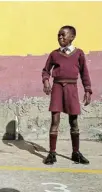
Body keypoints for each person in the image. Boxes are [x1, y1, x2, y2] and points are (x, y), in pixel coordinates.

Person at [41, 25, 92, 165]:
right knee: (55, 120)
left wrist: (88, 89)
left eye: (63, 35)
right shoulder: (54, 54)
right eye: (58, 35)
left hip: (72, 88)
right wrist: (46, 82)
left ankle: (76, 152)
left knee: (73, 121)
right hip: (57, 87)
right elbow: (46, 71)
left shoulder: (79, 53)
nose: (60, 37)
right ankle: (52, 153)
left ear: (72, 37)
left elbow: (84, 73)